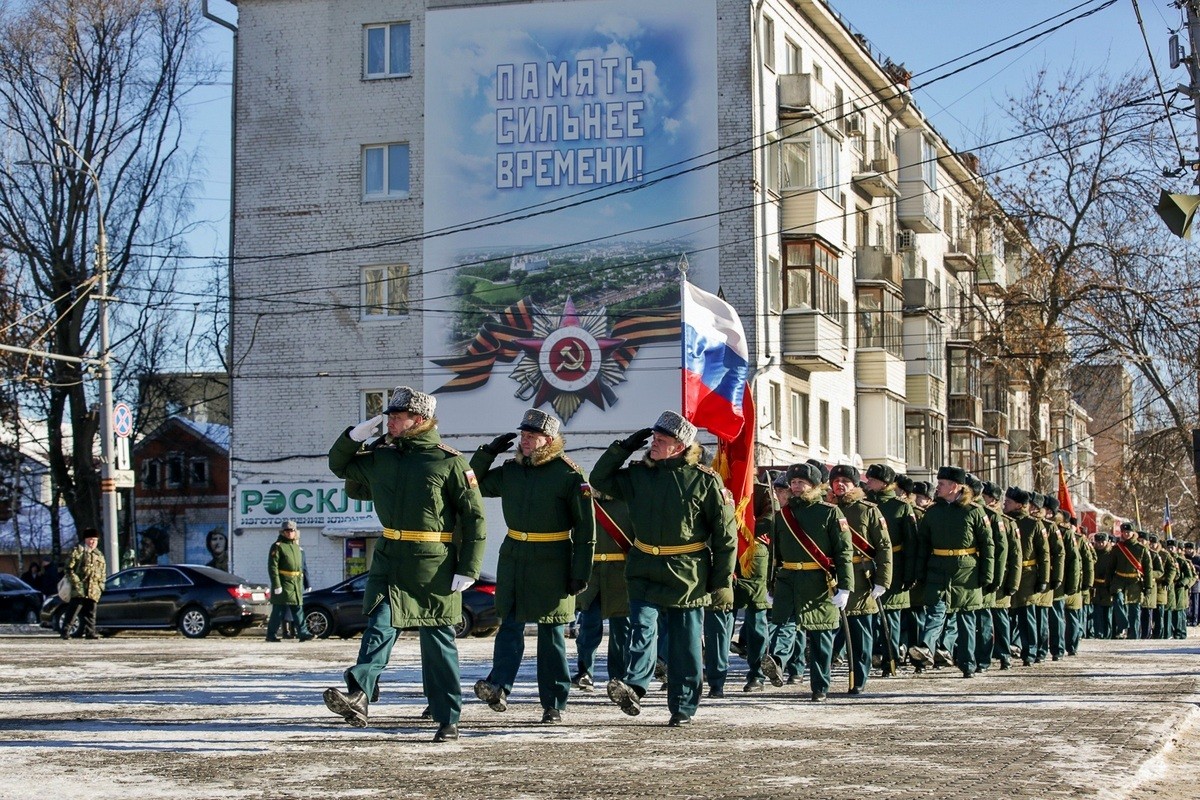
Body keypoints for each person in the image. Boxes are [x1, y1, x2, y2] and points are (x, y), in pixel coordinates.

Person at [324, 386, 487, 743]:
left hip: (433, 563)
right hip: (389, 559)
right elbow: (340, 466)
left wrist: (469, 567)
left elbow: (474, 518)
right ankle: (359, 696)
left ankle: (447, 718)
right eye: (389, 417)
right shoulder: (383, 455)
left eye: (397, 417)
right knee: (379, 628)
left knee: (438, 642)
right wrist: (355, 436)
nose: (390, 423)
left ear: (421, 420)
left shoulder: (449, 462)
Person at [591, 410, 737, 727]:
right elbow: (598, 480)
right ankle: (634, 686)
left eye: (662, 440)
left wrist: (720, 582)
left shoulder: (704, 481)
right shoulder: (639, 476)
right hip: (644, 567)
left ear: (680, 446)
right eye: (654, 438)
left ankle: (683, 707)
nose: (654, 444)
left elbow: (726, 536)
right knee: (642, 630)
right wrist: (622, 447)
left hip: (687, 573)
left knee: (685, 646)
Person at [471, 409, 595, 724]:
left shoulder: (569, 475)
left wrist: (581, 571)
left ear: (548, 440)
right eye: (523, 436)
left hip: (553, 558)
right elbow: (471, 484)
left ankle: (554, 703)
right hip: (515, 556)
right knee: (508, 623)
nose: (525, 441)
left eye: (531, 436)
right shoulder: (511, 470)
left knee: (551, 630)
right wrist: (487, 454)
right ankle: (498, 685)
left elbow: (585, 529)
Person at [909, 466, 994, 678]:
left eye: (942, 483)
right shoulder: (933, 512)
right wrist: (920, 571)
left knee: (966, 618)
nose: (937, 487)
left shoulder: (974, 511)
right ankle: (926, 647)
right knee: (936, 610)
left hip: (966, 571)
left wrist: (987, 574)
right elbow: (923, 544)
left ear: (955, 486)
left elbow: (988, 545)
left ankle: (967, 663)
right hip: (938, 568)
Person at [829, 463, 891, 695]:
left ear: (855, 484)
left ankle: (859, 678)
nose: (840, 485)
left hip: (861, 577)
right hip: (832, 577)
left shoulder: (868, 510)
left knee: (860, 632)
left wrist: (882, 580)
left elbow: (884, 547)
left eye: (845, 481)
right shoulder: (826, 508)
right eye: (836, 481)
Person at [573, 490, 633, 693]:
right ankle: (585, 672)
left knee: (621, 631)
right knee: (588, 626)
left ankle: (618, 676)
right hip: (592, 574)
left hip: (620, 575)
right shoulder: (586, 503)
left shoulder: (628, 502)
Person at [863, 463, 915, 678]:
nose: (868, 483)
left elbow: (911, 543)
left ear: (884, 483)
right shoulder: (863, 504)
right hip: (867, 564)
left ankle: (890, 658)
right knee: (869, 615)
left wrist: (910, 573)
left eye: (872, 480)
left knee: (891, 618)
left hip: (895, 565)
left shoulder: (900, 507)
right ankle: (874, 653)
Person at [265, 520, 311, 643]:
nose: (289, 533)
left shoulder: (297, 548)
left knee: (298, 608)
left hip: (296, 583)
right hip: (284, 582)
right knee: (278, 611)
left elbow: (303, 566)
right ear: (283, 532)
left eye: (292, 530)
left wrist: (307, 583)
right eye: (287, 531)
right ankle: (271, 634)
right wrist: (277, 584)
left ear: (295, 532)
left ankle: (303, 633)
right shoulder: (278, 546)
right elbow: (272, 567)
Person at [61, 528, 107, 639]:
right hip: (79, 588)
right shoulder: (77, 551)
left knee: (91, 612)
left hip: (93, 589)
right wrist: (76, 582)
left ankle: (90, 632)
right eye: (91, 539)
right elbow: (68, 568)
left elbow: (103, 572)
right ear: (85, 539)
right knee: (73, 611)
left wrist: (101, 586)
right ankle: (65, 631)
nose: (93, 542)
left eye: (95, 540)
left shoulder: (99, 555)